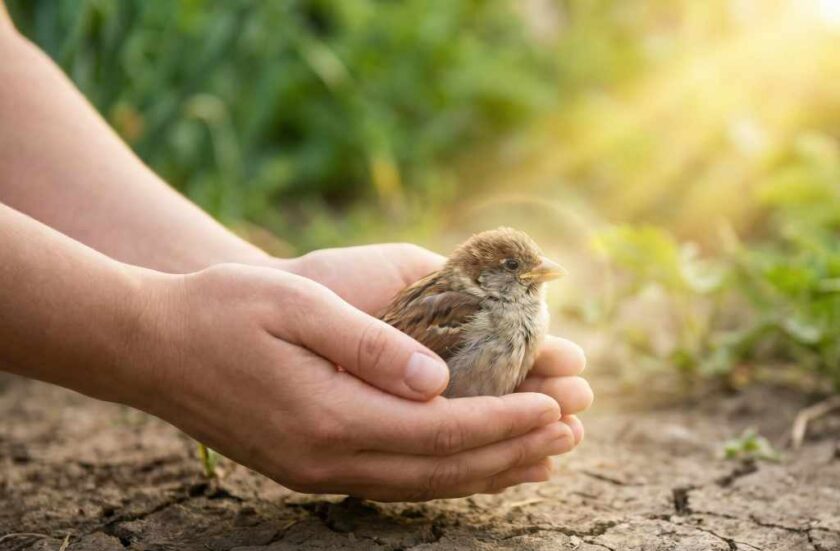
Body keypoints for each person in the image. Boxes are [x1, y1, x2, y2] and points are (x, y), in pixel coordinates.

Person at [0, 6, 593, 501]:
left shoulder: (506, 312)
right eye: (515, 271)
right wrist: (166, 338)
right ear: (482, 277)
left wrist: (269, 282)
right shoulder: (465, 312)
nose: (535, 278)